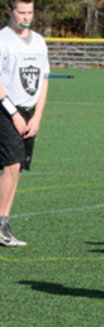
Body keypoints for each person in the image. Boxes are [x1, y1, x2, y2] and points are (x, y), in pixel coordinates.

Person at [0, 0, 49, 247]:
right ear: (10, 11)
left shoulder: (39, 41)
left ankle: (3, 223)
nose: (26, 17)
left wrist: (37, 115)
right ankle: (1, 225)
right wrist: (14, 115)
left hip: (29, 113)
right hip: (6, 110)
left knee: (16, 167)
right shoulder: (3, 40)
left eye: (30, 12)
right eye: (21, 12)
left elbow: (44, 80)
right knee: (12, 165)